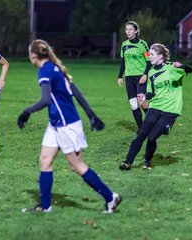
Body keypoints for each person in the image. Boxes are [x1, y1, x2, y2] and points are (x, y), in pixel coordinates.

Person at [18, 39, 121, 213]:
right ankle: (44, 206)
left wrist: (27, 112)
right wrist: (91, 115)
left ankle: (110, 197)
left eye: (29, 54)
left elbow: (45, 99)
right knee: (45, 161)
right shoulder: (55, 67)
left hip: (66, 124)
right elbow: (76, 92)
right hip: (56, 123)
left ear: (33, 56)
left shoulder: (46, 69)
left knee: (77, 166)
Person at [119, 43, 192, 171]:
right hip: (155, 107)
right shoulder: (151, 71)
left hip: (170, 110)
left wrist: (181, 65)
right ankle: (127, 162)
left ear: (161, 56)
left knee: (152, 137)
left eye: (151, 54)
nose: (149, 57)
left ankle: (147, 160)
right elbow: (151, 92)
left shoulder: (171, 68)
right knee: (142, 134)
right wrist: (144, 95)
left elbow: (190, 70)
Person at [117, 21, 151, 133]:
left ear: (136, 31)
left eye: (130, 29)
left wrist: (145, 74)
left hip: (140, 77)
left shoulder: (143, 44)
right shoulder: (124, 45)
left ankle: (153, 122)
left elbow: (149, 61)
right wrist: (120, 76)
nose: (128, 31)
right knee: (133, 104)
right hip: (129, 78)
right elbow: (123, 61)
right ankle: (141, 128)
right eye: (126, 29)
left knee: (141, 102)